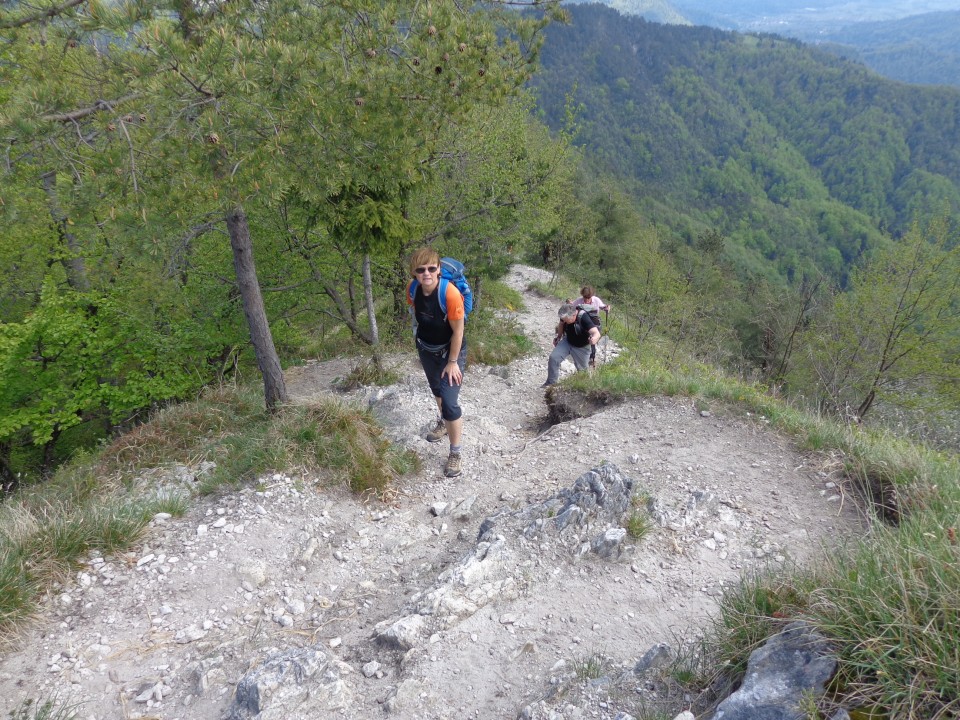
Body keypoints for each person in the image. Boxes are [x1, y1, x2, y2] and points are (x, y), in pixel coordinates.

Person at [406, 247, 467, 478]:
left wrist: (452, 362)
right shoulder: (413, 289)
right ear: (414, 273)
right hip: (426, 349)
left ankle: (455, 452)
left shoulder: (449, 293)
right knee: (437, 391)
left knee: (450, 403)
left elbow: (459, 331)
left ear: (439, 270)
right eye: (421, 270)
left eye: (432, 268)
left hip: (451, 352)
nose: (427, 273)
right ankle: (443, 422)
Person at [543, 302, 600, 387]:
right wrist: (558, 337)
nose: (564, 320)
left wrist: (594, 339)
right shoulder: (564, 316)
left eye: (566, 319)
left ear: (573, 315)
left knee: (582, 371)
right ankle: (551, 383)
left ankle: (584, 387)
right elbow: (561, 324)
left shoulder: (584, 318)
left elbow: (596, 333)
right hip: (568, 341)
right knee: (553, 358)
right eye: (563, 319)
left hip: (582, 346)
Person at [572, 285, 610, 368]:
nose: (586, 299)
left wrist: (606, 308)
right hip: (582, 323)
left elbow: (603, 306)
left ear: (591, 295)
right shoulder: (579, 301)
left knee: (593, 339)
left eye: (588, 297)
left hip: (594, 323)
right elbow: (572, 306)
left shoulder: (596, 300)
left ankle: (592, 358)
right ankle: (580, 353)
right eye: (585, 297)